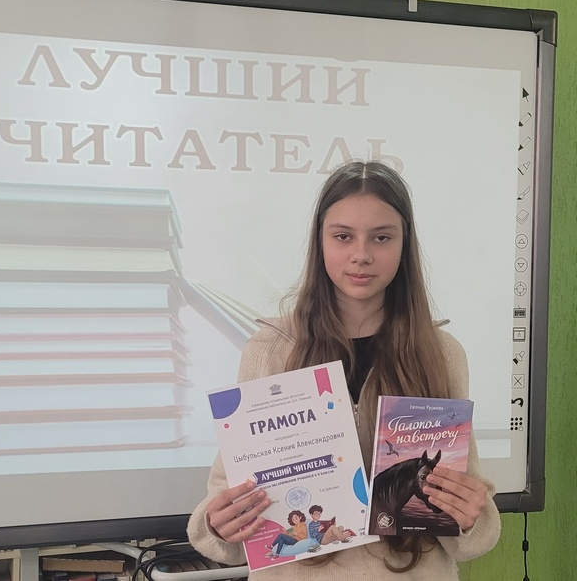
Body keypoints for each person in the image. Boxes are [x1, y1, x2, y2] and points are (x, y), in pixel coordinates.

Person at [187, 160, 501, 579]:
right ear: (320, 242)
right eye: (343, 236)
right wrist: (219, 525)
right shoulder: (269, 350)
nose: (361, 255)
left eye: (382, 237)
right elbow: (225, 516)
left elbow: (470, 532)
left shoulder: (442, 353)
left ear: (404, 244)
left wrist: (471, 516)